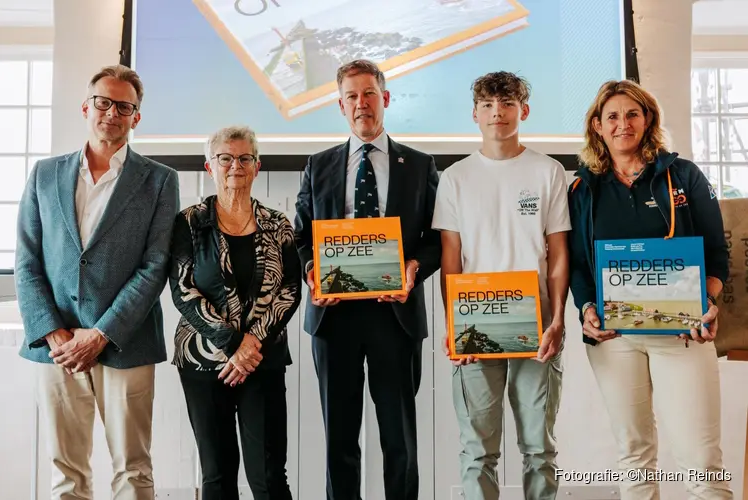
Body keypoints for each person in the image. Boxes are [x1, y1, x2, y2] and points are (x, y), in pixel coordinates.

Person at [14, 64, 180, 499]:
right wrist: (52, 333)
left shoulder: (160, 180)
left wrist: (102, 333)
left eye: (123, 106)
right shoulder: (45, 174)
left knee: (134, 470)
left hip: (126, 341)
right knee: (66, 472)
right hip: (58, 346)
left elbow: (155, 265)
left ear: (136, 117)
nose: (112, 113)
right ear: (86, 107)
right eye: (103, 102)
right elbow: (27, 261)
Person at [567, 79, 733, 499]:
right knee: (633, 456)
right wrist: (586, 309)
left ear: (648, 120)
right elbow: (580, 266)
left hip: (682, 334)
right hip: (615, 339)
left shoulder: (683, 176)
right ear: (598, 126)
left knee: (702, 462)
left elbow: (716, 254)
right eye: (613, 117)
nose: (623, 124)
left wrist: (708, 303)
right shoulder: (583, 188)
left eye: (632, 113)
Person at [293, 59, 441, 500]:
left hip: (394, 317)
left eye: (369, 94)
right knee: (339, 439)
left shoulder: (419, 164)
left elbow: (435, 238)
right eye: (352, 96)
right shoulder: (317, 165)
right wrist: (312, 271)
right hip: (333, 318)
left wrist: (415, 268)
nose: (362, 104)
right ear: (341, 106)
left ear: (385, 99)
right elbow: (301, 236)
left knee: (399, 440)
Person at [432, 71, 570, 500]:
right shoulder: (454, 178)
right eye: (489, 105)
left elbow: (558, 252)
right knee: (478, 452)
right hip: (477, 324)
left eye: (507, 104)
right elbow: (451, 260)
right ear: (475, 113)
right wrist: (455, 324)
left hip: (538, 327)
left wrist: (559, 319)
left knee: (539, 450)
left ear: (523, 111)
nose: (498, 114)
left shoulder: (549, 172)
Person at [169, 126, 301, 500]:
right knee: (217, 476)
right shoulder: (189, 222)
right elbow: (182, 290)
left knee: (270, 476)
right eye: (225, 158)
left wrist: (251, 345)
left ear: (257, 167)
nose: (235, 166)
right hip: (202, 361)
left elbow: (290, 289)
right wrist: (232, 344)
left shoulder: (278, 225)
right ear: (209, 166)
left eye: (244, 159)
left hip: (263, 360)